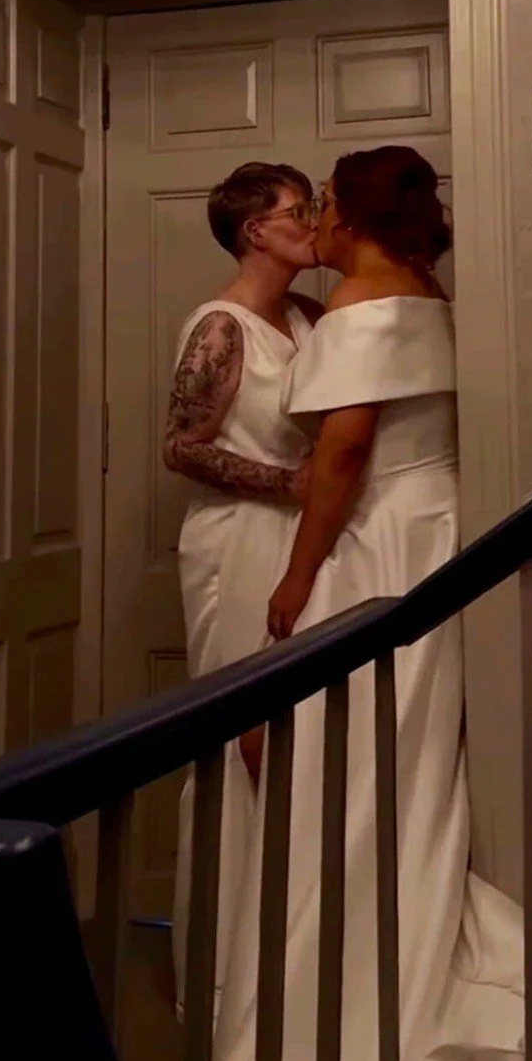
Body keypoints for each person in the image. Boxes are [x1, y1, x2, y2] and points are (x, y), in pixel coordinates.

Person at [169, 145, 532, 1061]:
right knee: (397, 761)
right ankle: (372, 938)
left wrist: (297, 575)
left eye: (322, 201)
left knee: (340, 765)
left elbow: (346, 454)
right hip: (435, 529)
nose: (313, 216)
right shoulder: (425, 291)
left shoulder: (357, 307)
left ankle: (349, 986)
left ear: (356, 214)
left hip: (370, 540)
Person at [161, 162, 321, 1018]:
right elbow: (179, 446)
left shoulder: (304, 315)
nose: (311, 222)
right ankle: (227, 975)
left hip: (301, 543)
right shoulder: (220, 328)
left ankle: (297, 950)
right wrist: (285, 485)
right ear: (255, 230)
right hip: (234, 541)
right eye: (298, 211)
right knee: (241, 741)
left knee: (304, 735)